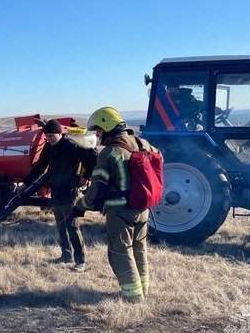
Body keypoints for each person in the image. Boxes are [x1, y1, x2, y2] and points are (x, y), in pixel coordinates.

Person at [69, 107, 151, 303]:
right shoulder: (144, 143)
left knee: (120, 252)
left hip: (120, 211)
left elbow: (95, 191)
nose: (97, 135)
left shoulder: (110, 153)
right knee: (139, 249)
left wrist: (80, 206)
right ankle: (144, 289)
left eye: (98, 131)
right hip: (143, 209)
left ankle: (133, 297)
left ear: (107, 126)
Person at [19, 119, 98, 272]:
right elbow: (39, 167)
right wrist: (25, 184)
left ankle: (80, 261)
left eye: (51, 136)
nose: (48, 139)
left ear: (59, 133)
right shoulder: (48, 147)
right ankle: (66, 256)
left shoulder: (72, 146)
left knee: (72, 227)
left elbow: (93, 157)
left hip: (70, 193)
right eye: (46, 136)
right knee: (61, 227)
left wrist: (86, 176)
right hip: (56, 192)